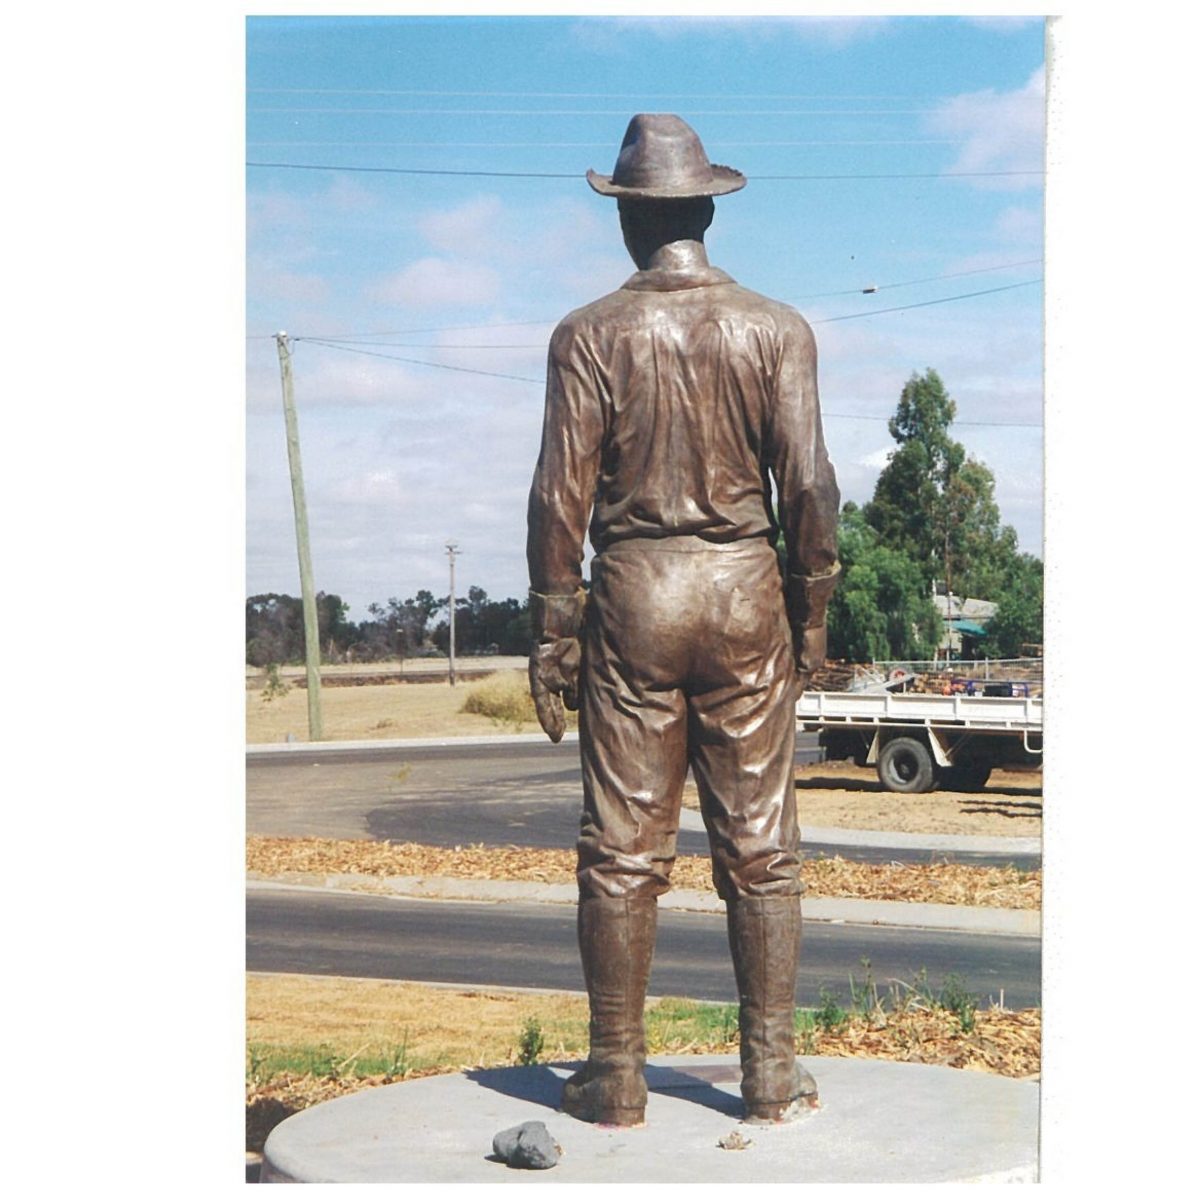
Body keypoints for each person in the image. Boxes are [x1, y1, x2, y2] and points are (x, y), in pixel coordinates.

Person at [526, 113, 840, 1127]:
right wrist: (812, 610)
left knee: (622, 846)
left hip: (634, 595)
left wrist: (553, 630)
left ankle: (617, 1072)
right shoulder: (776, 328)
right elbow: (811, 486)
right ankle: (769, 1070)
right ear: (706, 211)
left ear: (629, 220)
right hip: (746, 592)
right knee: (762, 843)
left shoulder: (588, 335)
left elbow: (558, 497)